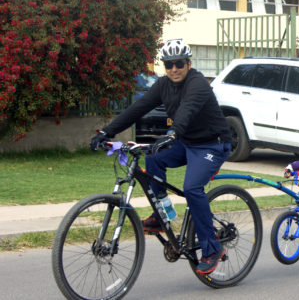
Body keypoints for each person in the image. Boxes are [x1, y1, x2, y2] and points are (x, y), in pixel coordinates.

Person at [90, 39, 233, 275]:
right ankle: (162, 215)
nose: (173, 69)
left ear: (188, 63)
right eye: (168, 65)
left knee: (192, 188)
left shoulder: (198, 84)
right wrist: (107, 131)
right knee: (154, 158)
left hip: (212, 145)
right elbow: (139, 107)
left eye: (178, 64)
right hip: (186, 142)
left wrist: (173, 133)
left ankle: (212, 249)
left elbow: (187, 110)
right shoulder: (163, 84)